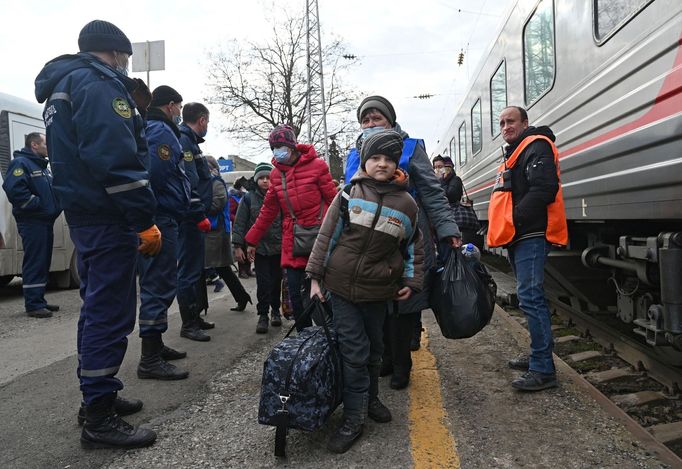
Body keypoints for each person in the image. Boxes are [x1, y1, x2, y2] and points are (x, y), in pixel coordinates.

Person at [34, 19, 159, 449]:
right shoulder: (99, 85)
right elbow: (115, 159)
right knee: (110, 311)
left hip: (87, 212)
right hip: (107, 216)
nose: (126, 64)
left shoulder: (64, 85)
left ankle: (97, 397)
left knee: (96, 308)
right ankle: (99, 416)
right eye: (125, 56)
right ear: (117, 52)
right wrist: (143, 218)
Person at [307, 130, 424, 453]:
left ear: (397, 162)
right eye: (375, 158)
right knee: (354, 352)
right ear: (365, 161)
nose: (382, 164)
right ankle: (354, 417)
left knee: (374, 349)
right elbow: (327, 236)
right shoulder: (348, 194)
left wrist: (411, 283)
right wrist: (315, 278)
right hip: (341, 287)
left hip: (379, 291)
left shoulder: (408, 204)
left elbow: (415, 249)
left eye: (389, 159)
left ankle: (370, 399)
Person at [346, 96, 461, 389]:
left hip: (409, 236)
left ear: (391, 120)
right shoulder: (354, 153)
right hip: (370, 240)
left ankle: (402, 365)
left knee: (406, 302)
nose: (371, 125)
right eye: (366, 121)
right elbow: (348, 195)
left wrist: (448, 229)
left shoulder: (411, 148)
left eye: (377, 119)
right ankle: (385, 357)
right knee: (378, 300)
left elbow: (433, 192)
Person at [489, 105, 568, 391]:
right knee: (527, 297)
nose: (506, 126)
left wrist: (514, 218)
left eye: (511, 121)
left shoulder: (537, 146)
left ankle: (543, 370)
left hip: (531, 234)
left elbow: (545, 189)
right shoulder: (518, 151)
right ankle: (539, 354)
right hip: (519, 235)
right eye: (501, 123)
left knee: (530, 297)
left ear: (525, 122)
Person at [245, 125, 337, 331]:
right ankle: (303, 338)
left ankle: (331, 335)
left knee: (324, 293)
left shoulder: (318, 166)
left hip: (319, 239)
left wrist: (340, 232)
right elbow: (267, 210)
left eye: (281, 146)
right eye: (273, 147)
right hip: (292, 240)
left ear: (292, 146)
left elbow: (333, 201)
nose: (277, 151)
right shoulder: (276, 175)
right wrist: (251, 240)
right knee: (295, 295)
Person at [135, 85, 190, 381]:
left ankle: (155, 345)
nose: (180, 113)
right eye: (179, 107)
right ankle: (150, 359)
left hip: (162, 216)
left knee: (159, 282)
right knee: (159, 283)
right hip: (161, 217)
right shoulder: (162, 130)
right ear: (171, 105)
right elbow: (155, 172)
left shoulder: (154, 127)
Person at [2, 132, 61, 318]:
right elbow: (15, 191)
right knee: (35, 261)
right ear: (34, 145)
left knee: (43, 261)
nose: (48, 147)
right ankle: (33, 304)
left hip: (44, 221)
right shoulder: (20, 164)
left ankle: (39, 300)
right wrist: (39, 205)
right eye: (45, 144)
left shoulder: (42, 166)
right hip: (32, 221)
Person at [177, 102, 213, 341]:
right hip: (190, 219)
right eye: (207, 122)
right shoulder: (184, 140)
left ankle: (195, 315)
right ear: (201, 120)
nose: (207, 126)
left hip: (195, 218)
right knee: (188, 272)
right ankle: (188, 323)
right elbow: (190, 182)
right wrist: (198, 214)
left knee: (196, 270)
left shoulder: (189, 140)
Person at [232, 162, 283, 334]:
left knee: (277, 281)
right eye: (261, 178)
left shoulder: (280, 195)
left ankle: (276, 310)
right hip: (259, 248)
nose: (265, 181)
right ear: (256, 180)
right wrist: (238, 245)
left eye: (268, 178)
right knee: (263, 283)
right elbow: (240, 223)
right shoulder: (248, 198)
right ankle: (263, 314)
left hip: (279, 246)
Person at [204, 155, 252, 312]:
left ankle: (198, 306)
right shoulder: (212, 182)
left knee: (204, 269)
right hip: (215, 232)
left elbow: (217, 204)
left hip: (215, 233)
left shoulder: (215, 182)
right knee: (223, 268)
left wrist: (199, 207)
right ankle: (242, 296)